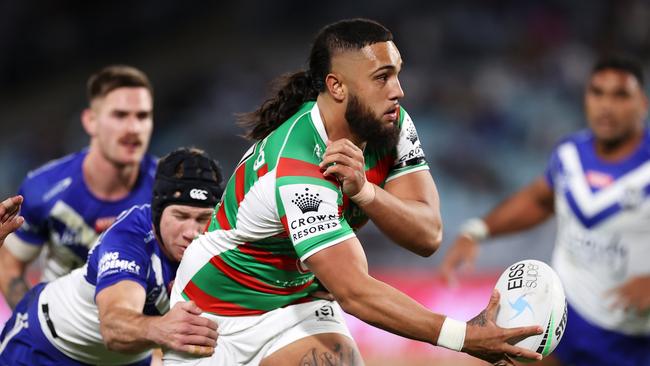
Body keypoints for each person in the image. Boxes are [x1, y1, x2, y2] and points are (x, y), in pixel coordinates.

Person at [165, 19, 542, 366]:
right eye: (382, 78)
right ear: (337, 86)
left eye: (397, 74)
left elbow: (428, 235)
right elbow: (355, 292)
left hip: (296, 302)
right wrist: (464, 336)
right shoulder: (298, 165)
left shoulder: (393, 126)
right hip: (213, 312)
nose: (398, 90)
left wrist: (366, 192)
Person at [441, 55, 650, 366]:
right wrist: (477, 230)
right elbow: (538, 200)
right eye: (597, 92)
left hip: (634, 341)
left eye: (620, 95)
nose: (606, 105)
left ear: (642, 103)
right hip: (566, 323)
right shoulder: (569, 155)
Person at [0, 147, 224, 365]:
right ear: (157, 213)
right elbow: (114, 327)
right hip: (45, 348)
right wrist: (164, 329)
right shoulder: (128, 237)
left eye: (203, 218)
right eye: (181, 215)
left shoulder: (222, 243)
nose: (191, 232)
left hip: (125, 361)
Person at [0, 65, 157, 309]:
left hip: (136, 332)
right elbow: (10, 263)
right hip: (60, 332)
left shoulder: (167, 190)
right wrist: (33, 322)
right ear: (91, 121)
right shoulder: (44, 187)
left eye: (142, 116)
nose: (133, 128)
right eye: (120, 115)